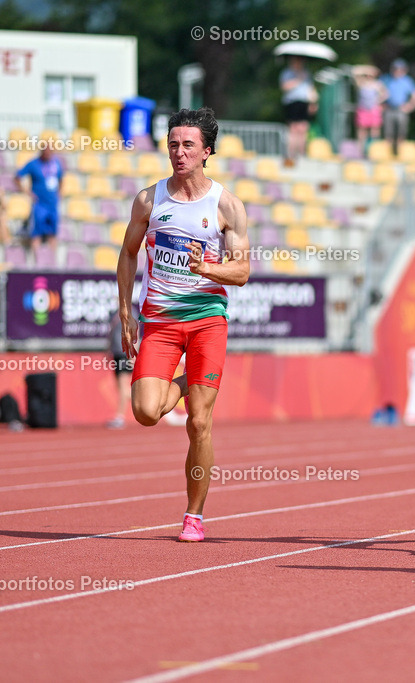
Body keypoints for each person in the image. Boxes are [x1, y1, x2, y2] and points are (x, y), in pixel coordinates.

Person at [116, 107, 250, 542]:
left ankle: (194, 515)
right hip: (159, 320)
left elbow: (242, 271)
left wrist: (208, 268)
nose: (179, 152)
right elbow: (129, 254)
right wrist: (124, 310)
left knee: (198, 422)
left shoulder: (226, 205)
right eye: (173, 144)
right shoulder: (149, 200)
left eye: (188, 145)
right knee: (145, 411)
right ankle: (192, 381)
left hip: (208, 319)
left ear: (207, 150)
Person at [16, 147, 64, 249]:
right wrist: (28, 193)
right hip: (39, 204)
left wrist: (59, 193)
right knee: (36, 233)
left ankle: (52, 260)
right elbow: (17, 177)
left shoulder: (56, 164)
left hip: (52, 204)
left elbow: (61, 179)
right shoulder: (33, 164)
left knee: (53, 233)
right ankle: (36, 259)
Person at [280, 56, 318, 164]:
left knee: (303, 128)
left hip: (304, 103)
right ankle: (290, 154)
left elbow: (310, 89)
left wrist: (313, 103)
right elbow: (285, 87)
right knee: (293, 128)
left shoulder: (307, 73)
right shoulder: (287, 73)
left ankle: (301, 154)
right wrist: (298, 79)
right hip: (292, 103)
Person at [381, 59, 415, 156]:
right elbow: (376, 90)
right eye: (395, 69)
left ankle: (399, 153)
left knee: (401, 132)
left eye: (399, 69)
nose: (397, 71)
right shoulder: (386, 79)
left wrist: (411, 106)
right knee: (388, 132)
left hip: (401, 109)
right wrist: (380, 104)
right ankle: (388, 154)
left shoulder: (407, 80)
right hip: (389, 108)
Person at [106, 307, 135, 429]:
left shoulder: (131, 311)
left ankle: (120, 417)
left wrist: (133, 354)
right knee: (120, 387)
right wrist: (108, 350)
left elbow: (135, 333)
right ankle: (142, 398)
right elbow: (111, 334)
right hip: (116, 353)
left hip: (125, 353)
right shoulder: (113, 313)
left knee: (123, 385)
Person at [352, 65, 388, 149]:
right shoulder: (360, 83)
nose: (369, 76)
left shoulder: (377, 84)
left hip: (373, 109)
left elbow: (386, 94)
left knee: (375, 129)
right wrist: (366, 69)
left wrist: (378, 101)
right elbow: (354, 71)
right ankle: (361, 149)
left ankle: (374, 148)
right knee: (362, 130)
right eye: (367, 74)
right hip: (363, 109)